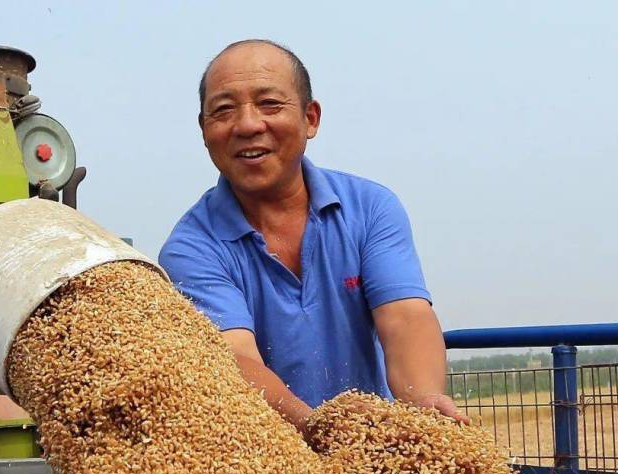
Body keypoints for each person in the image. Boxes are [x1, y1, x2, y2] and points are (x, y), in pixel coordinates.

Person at [159, 39, 465, 441]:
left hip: (375, 456)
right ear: (204, 130)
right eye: (224, 110)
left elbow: (405, 316)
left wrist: (421, 399)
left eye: (269, 104)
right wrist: (319, 430)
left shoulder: (369, 207)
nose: (248, 125)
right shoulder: (191, 248)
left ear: (311, 118)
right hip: (267, 465)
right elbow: (235, 356)